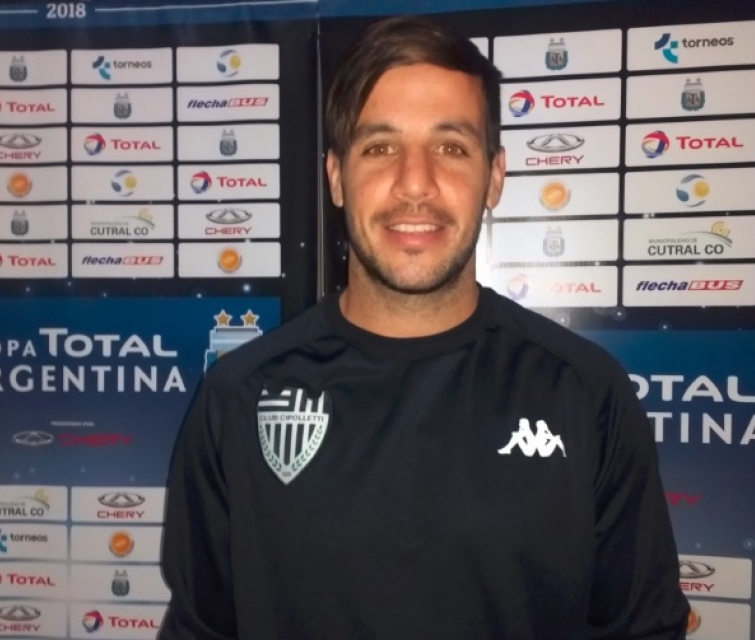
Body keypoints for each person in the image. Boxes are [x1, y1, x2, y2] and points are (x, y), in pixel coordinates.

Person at [160, 15, 689, 639]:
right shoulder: (238, 397)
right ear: (336, 177)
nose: (415, 183)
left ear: (494, 176)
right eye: (380, 147)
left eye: (451, 147)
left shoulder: (586, 394)